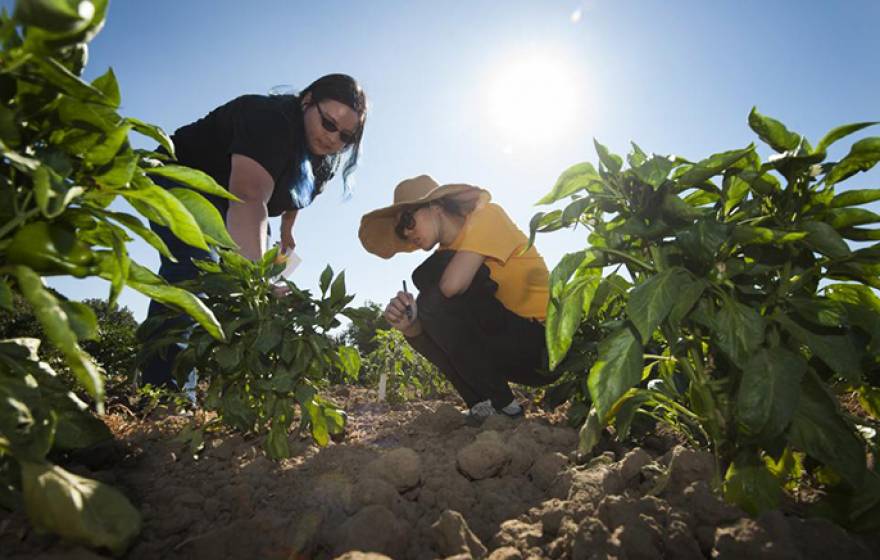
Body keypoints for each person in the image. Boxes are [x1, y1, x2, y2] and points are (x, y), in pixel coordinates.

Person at [140, 73, 368, 388]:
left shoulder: (322, 162)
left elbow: (293, 195)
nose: (333, 139)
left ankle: (230, 379)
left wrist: (287, 231)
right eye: (329, 124)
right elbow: (248, 197)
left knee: (257, 273)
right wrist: (260, 282)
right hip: (181, 176)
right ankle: (163, 390)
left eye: (345, 136)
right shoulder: (269, 120)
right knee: (193, 269)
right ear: (307, 101)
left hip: (229, 198)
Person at [359, 175, 559, 420]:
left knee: (430, 290)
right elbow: (443, 321)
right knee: (424, 299)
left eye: (409, 221)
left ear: (436, 206)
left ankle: (504, 406)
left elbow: (452, 286)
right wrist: (410, 326)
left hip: (546, 345)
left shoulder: (487, 216)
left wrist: (425, 303)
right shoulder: (445, 258)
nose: (407, 233)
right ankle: (482, 405)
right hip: (511, 351)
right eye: (401, 231)